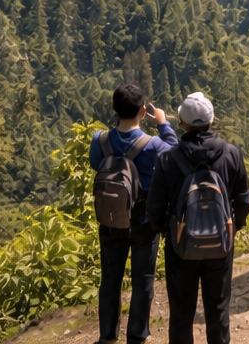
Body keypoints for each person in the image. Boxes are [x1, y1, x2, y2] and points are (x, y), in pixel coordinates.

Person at [146, 92, 249, 344]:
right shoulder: (231, 153)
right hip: (220, 244)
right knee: (218, 310)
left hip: (181, 246)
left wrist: (166, 232)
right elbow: (243, 199)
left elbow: (155, 206)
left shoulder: (168, 159)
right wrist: (232, 228)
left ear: (182, 121)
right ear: (211, 120)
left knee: (181, 314)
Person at [90, 84, 178, 344]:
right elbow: (174, 153)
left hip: (110, 219)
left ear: (114, 110)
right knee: (143, 280)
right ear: (143, 110)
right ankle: (137, 336)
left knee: (110, 279)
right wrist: (163, 124)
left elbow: (97, 164)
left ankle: (107, 335)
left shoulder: (100, 140)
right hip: (143, 222)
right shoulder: (153, 146)